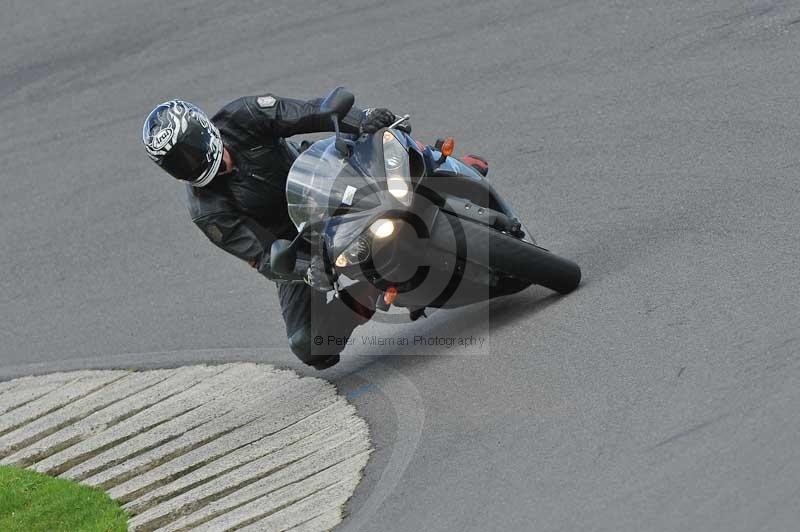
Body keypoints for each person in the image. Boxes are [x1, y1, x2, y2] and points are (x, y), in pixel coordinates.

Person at [142, 92, 408, 369]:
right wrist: (307, 268)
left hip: (320, 181)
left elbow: (310, 110)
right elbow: (262, 256)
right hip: (293, 242)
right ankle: (366, 293)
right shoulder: (207, 210)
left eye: (191, 150)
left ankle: (433, 165)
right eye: (178, 162)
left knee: (382, 138)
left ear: (202, 128)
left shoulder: (242, 116)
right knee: (308, 344)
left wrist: (363, 119)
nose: (190, 162)